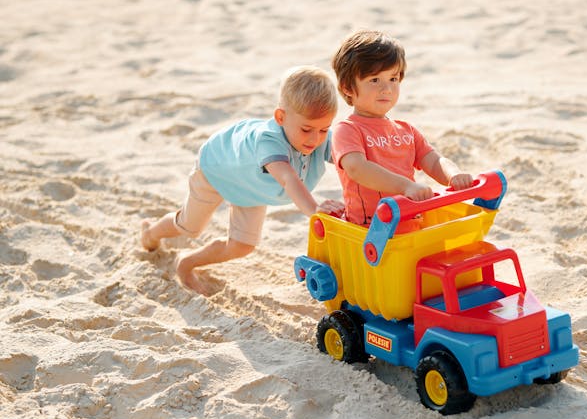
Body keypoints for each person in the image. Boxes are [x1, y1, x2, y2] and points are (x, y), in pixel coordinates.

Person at [140, 66, 343, 295]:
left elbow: (349, 161)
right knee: (190, 226)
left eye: (324, 129)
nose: (315, 139)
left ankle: (186, 262)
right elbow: (287, 179)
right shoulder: (269, 141)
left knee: (242, 246)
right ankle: (151, 232)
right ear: (281, 118)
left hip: (249, 188)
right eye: (307, 129)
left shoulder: (319, 138)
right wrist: (315, 209)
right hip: (216, 169)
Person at [330, 29, 473, 232]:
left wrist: (454, 174)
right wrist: (405, 186)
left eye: (393, 79)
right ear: (347, 87)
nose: (386, 89)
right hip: (370, 230)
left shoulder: (406, 130)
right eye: (374, 80)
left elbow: (433, 160)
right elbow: (357, 168)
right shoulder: (347, 130)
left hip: (411, 222)